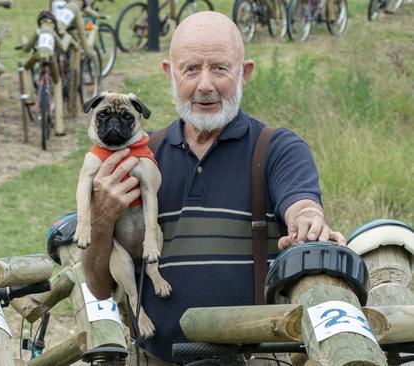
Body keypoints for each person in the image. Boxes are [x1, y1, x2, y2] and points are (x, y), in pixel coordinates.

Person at [81, 11, 346, 365]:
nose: (205, 85)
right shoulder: (139, 158)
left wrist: (308, 221)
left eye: (220, 68)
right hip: (153, 359)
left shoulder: (276, 148)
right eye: (191, 69)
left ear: (245, 73)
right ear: (169, 74)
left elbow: (302, 205)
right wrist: (101, 216)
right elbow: (99, 287)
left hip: (253, 360)